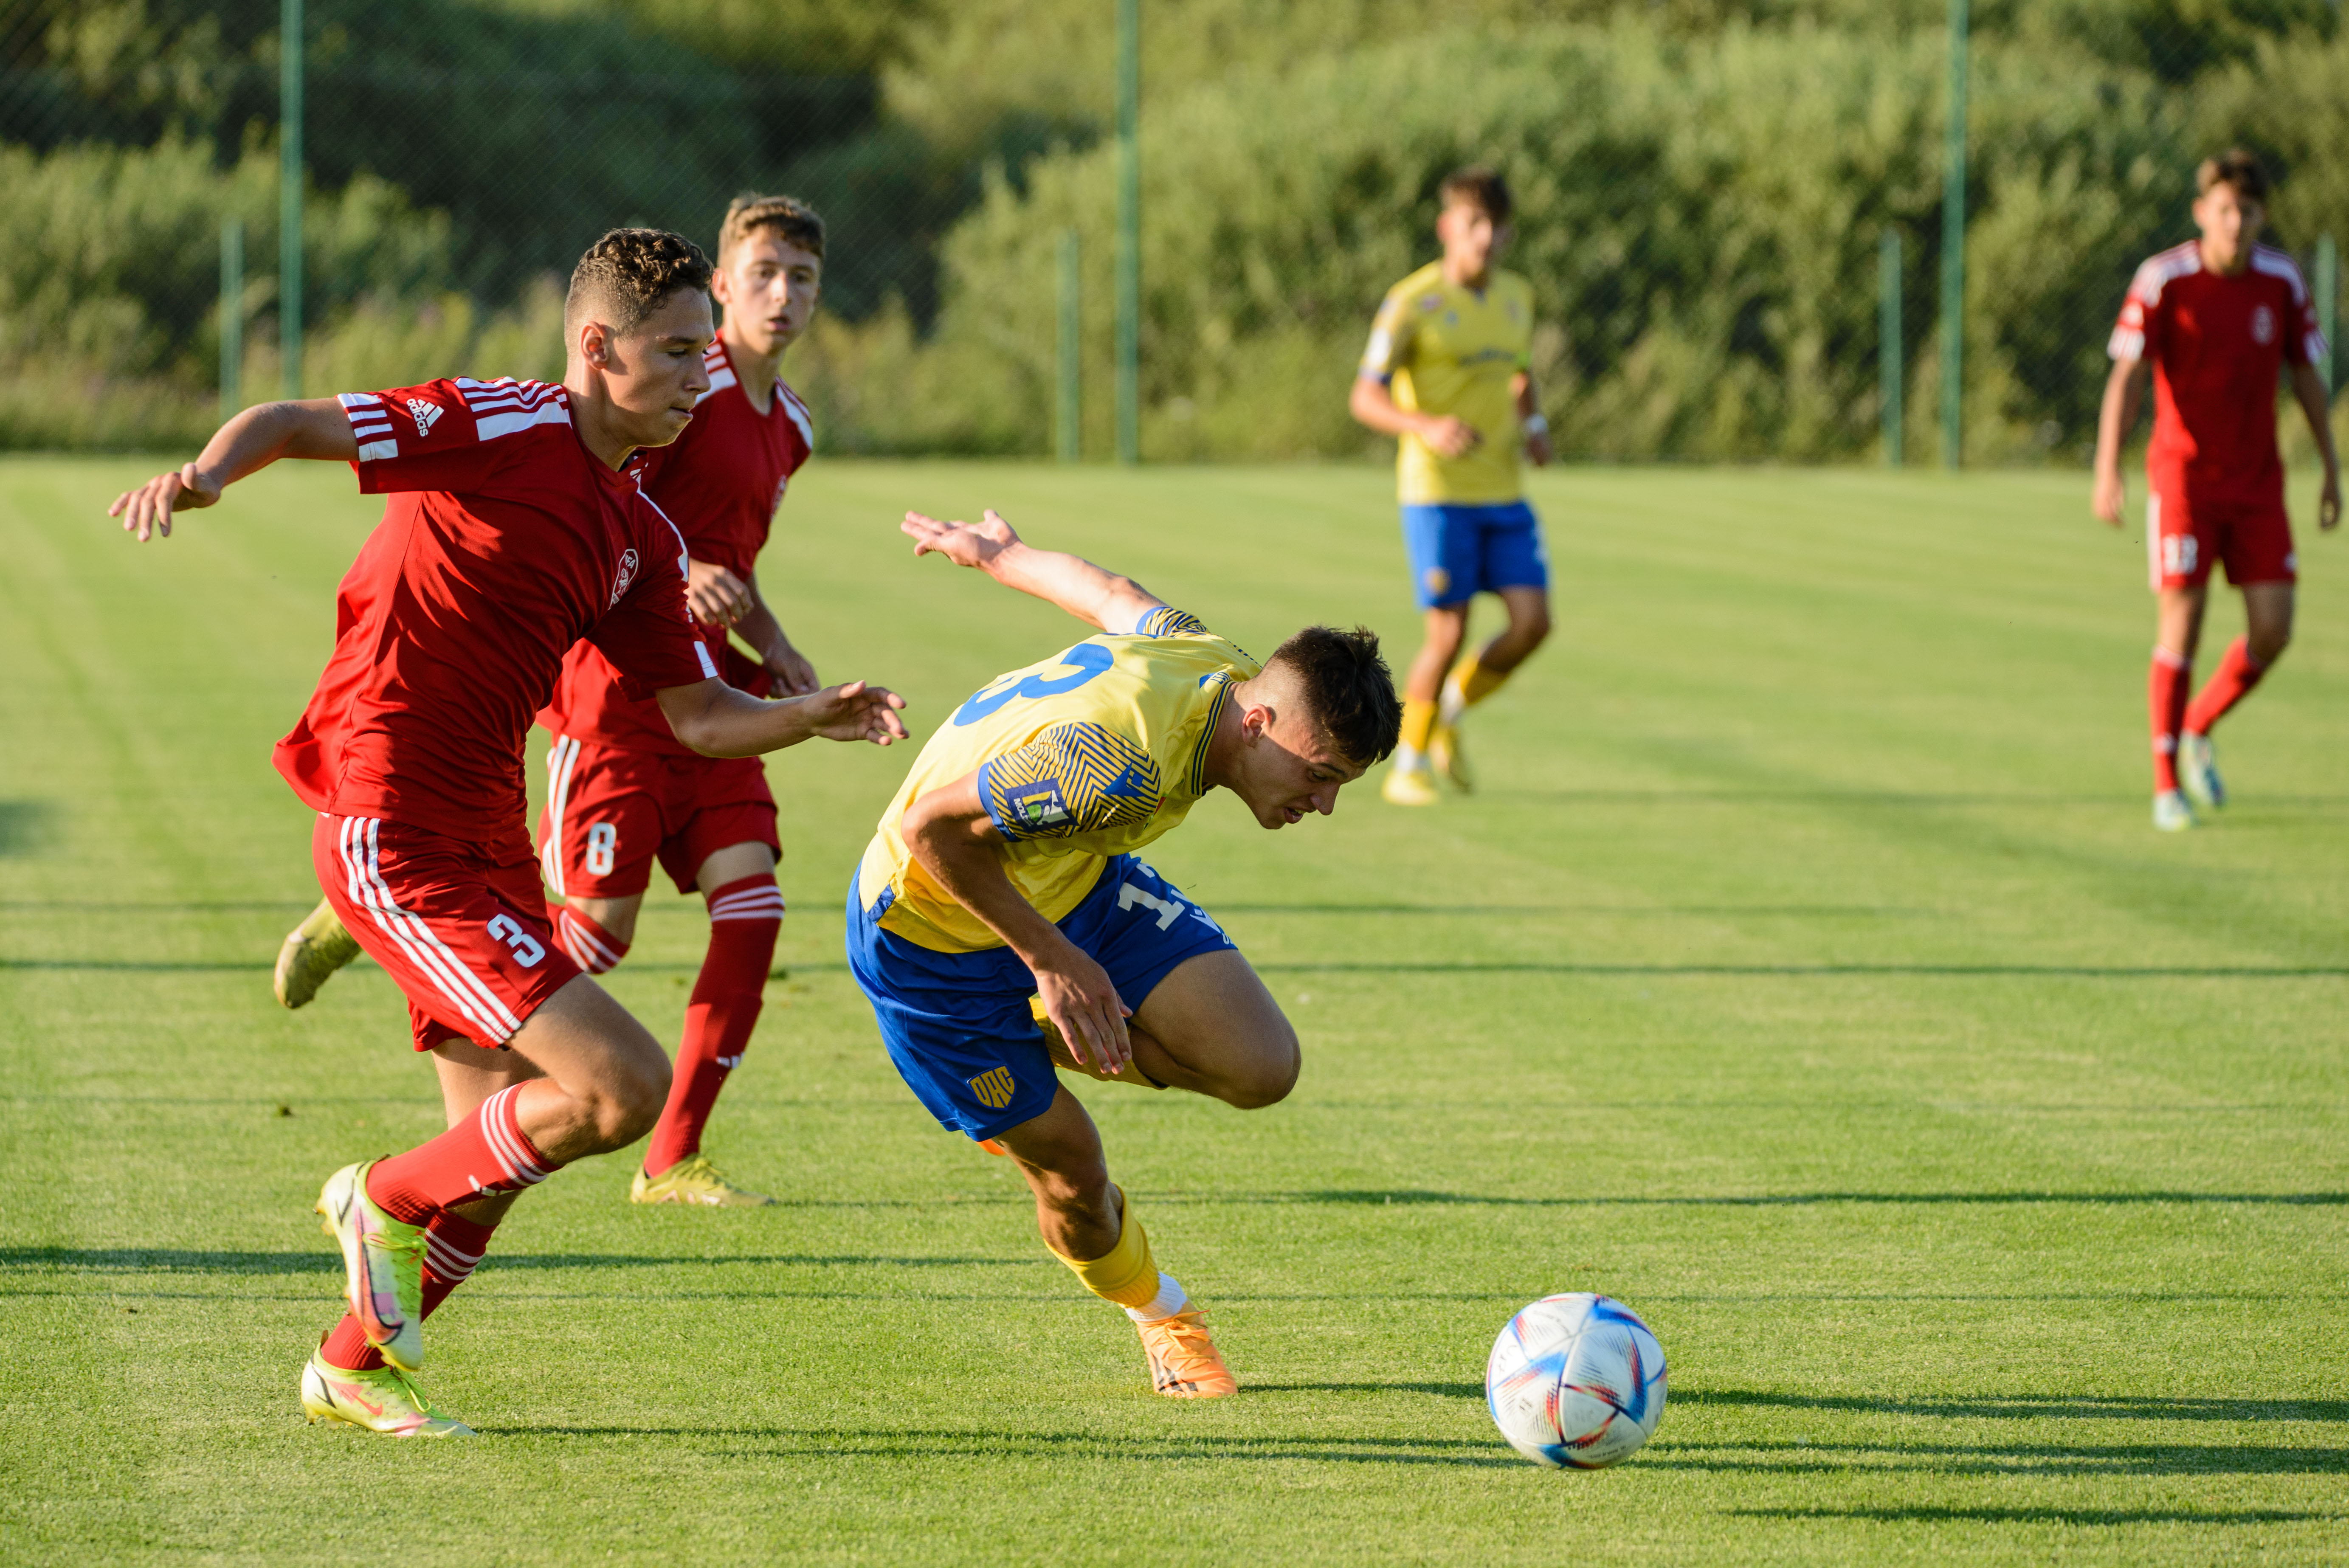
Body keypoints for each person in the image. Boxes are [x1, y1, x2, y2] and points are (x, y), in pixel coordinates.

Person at [107, 228, 907, 1438]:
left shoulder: (643, 533)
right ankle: (371, 1195)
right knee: (616, 1084)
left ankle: (352, 1362)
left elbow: (695, 716)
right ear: (598, 348)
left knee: (490, 1154)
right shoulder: (503, 422)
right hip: (389, 813)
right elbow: (290, 419)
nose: (702, 372)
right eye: (678, 349)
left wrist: (808, 712)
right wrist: (206, 474)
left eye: (706, 349)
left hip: (487, 831)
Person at [274, 194, 832, 1210]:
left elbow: (720, 559)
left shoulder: (786, 426)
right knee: (595, 952)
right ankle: (392, 961)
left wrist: (786, 657)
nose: (784, 296)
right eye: (764, 274)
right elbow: (598, 502)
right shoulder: (659, 393)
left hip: (705, 693)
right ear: (721, 284)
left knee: (753, 908)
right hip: (610, 708)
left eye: (803, 277)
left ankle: (673, 1159)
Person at [848, 508, 1400, 1398]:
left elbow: (1111, 596)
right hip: (926, 934)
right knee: (1073, 1177)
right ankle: (1163, 1315)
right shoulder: (1113, 762)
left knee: (1262, 1064)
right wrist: (1053, 960)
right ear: (1257, 722)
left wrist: (1000, 553)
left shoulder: (1212, 662)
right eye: (1319, 772)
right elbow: (927, 834)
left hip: (1072, 882)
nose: (1323, 802)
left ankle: (1050, 1028)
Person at [2093, 148, 2339, 831]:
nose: (2236, 223)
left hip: (2259, 483)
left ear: (2262, 217)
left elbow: (2308, 376)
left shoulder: (2282, 281)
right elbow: (2128, 376)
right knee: (2184, 621)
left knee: (2275, 629)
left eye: (2249, 212)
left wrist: (2330, 467)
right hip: (2184, 479)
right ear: (2202, 212)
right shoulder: (2163, 279)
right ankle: (2166, 783)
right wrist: (2108, 464)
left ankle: (2199, 723)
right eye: (2225, 210)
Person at [1349, 165, 1553, 808]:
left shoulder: (1517, 297)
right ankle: (1407, 763)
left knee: (1533, 624)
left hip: (1504, 490)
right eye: (1474, 223)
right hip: (1437, 494)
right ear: (1447, 227)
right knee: (1448, 632)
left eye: (1496, 226)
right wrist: (1424, 425)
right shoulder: (1412, 302)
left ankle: (1450, 714)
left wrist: (1536, 423)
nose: (1486, 237)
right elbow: (1364, 396)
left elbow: (1519, 375)